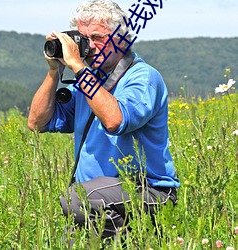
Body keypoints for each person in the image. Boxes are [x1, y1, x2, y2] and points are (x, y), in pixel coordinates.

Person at [28, 0, 180, 244]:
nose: (89, 46)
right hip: (98, 199)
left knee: (76, 200)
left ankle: (134, 241)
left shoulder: (142, 77)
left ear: (121, 38)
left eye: (97, 37)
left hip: (148, 192)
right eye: (83, 38)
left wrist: (77, 66)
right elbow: (37, 123)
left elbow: (115, 120)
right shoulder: (87, 82)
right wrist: (54, 70)